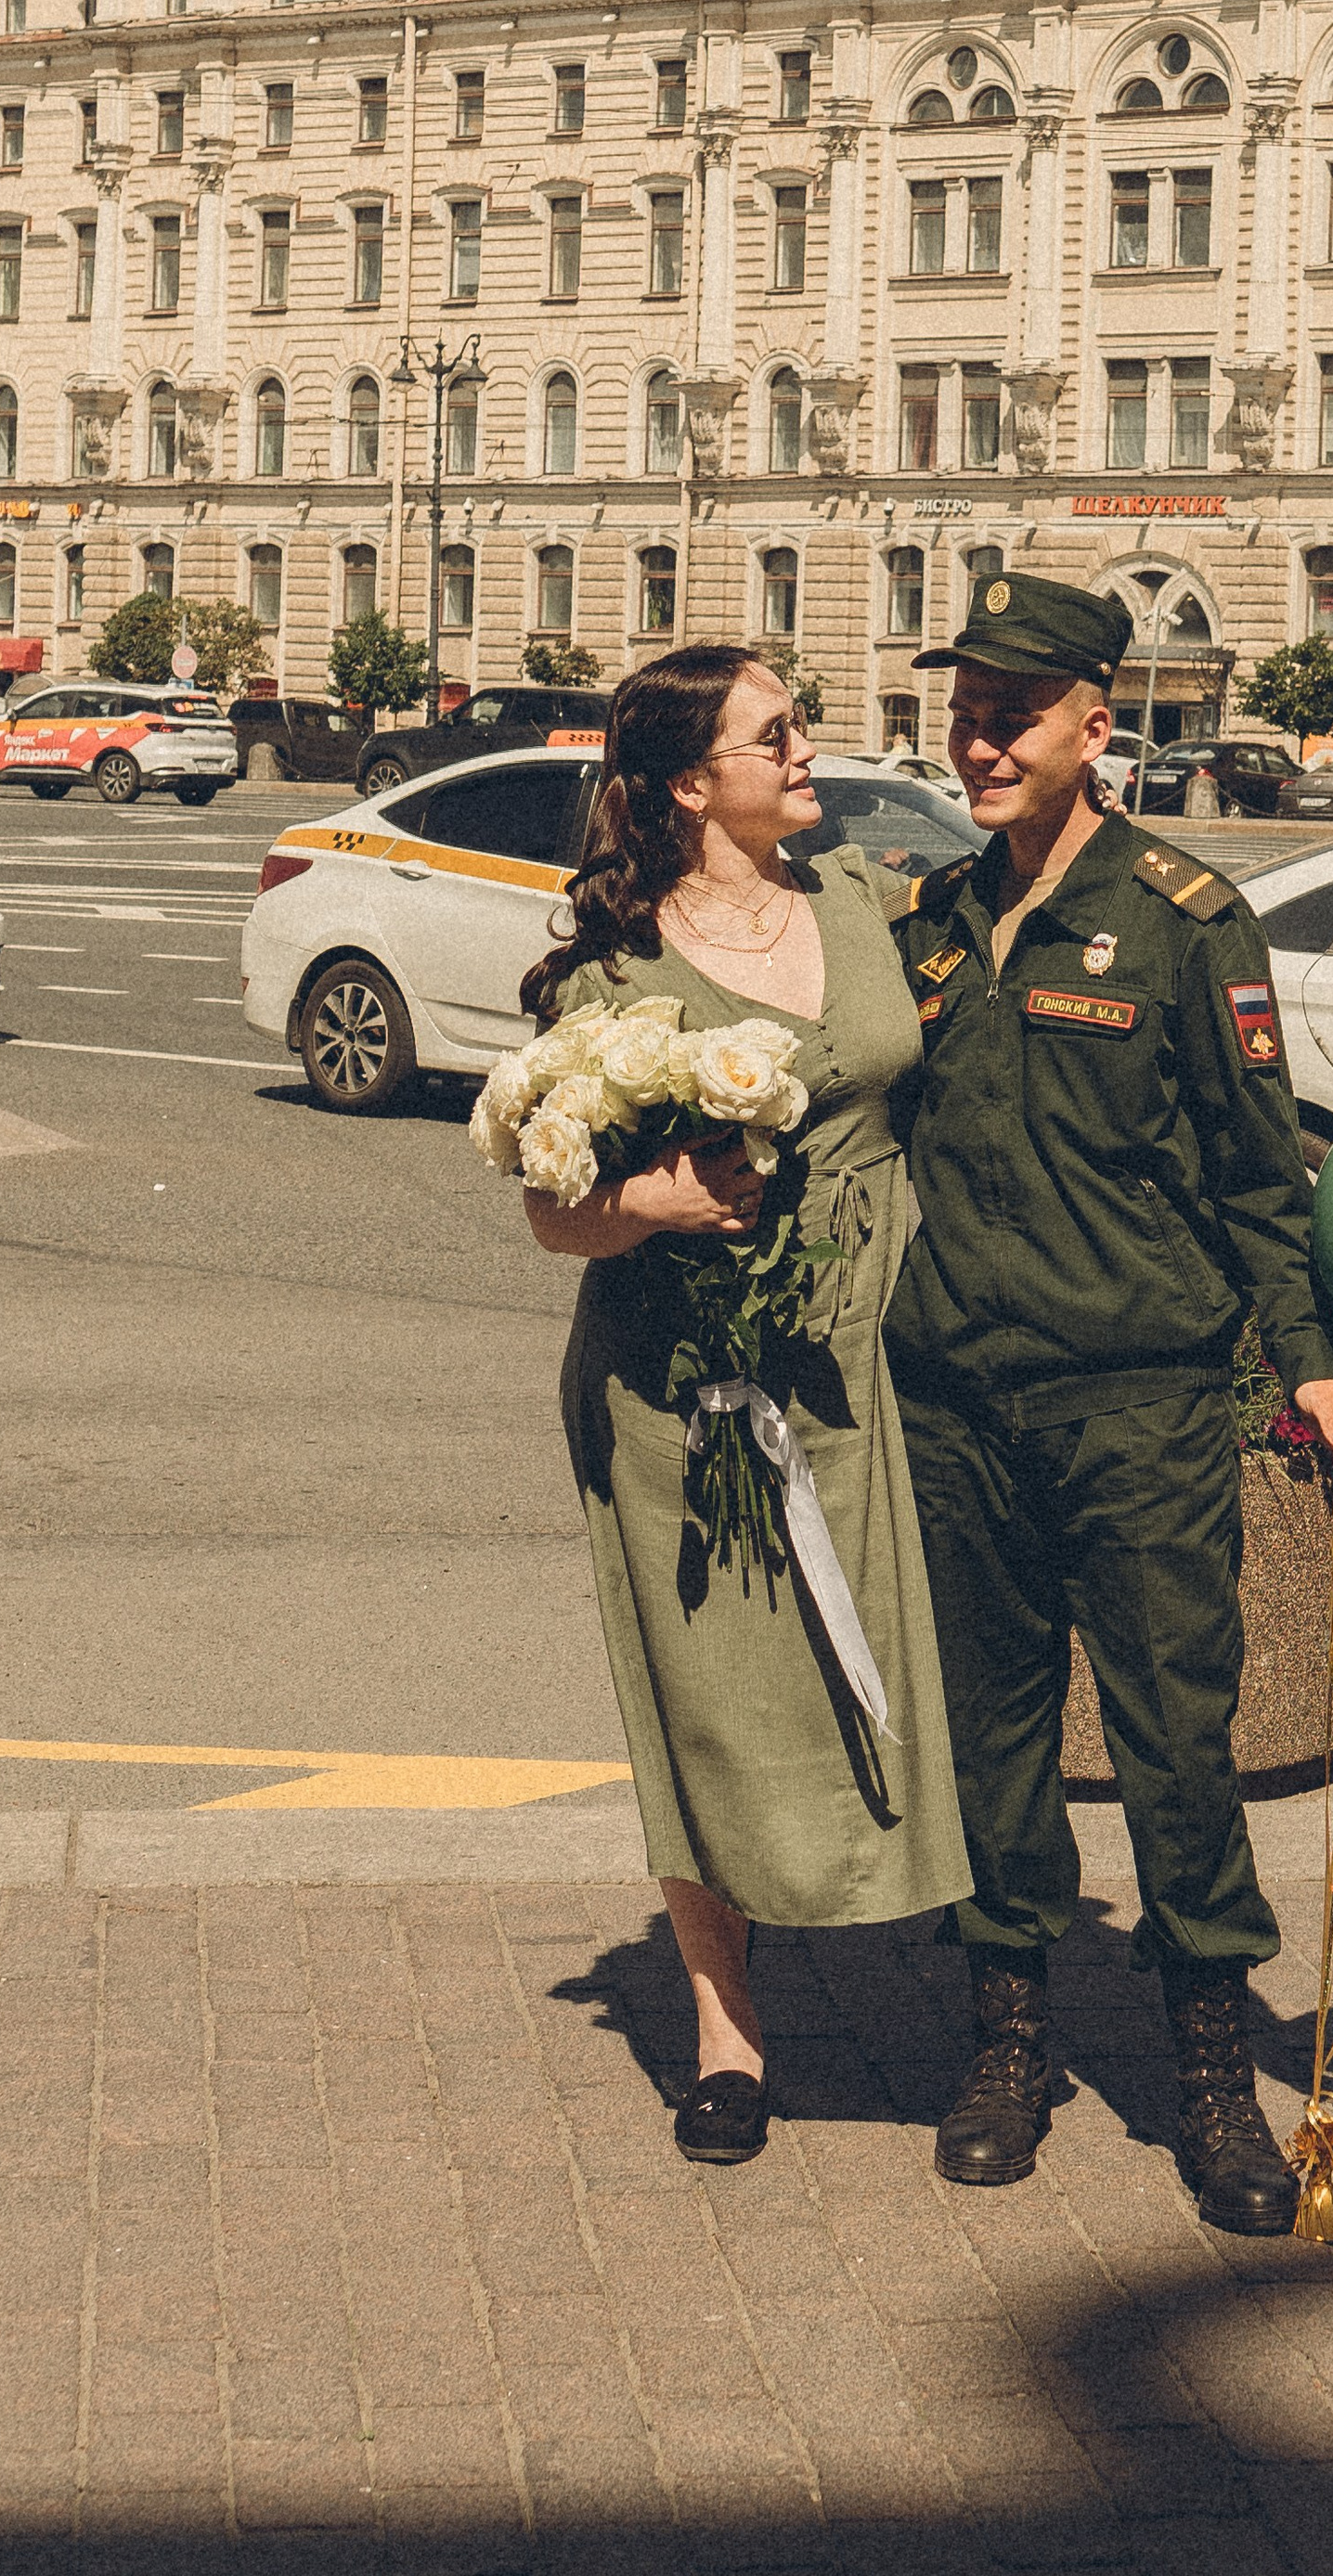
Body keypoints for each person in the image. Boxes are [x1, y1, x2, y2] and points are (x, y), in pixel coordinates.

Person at [885, 574, 1333, 2237]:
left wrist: (1310, 1358)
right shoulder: (930, 919)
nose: (980, 740)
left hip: (1136, 1406)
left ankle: (1212, 2073)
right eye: (966, 711)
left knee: (1176, 1740)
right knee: (993, 1737)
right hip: (957, 1400)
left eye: (1013, 714)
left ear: (1098, 725)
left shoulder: (1180, 920)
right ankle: (1008, 2042)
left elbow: (1255, 1176)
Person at [522, 644, 971, 2168]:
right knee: (705, 1697)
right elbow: (554, 1210)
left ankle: (958, 1947)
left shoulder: (864, 902)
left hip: (876, 1348)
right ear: (687, 785)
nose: (806, 750)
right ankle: (728, 2032)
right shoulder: (613, 971)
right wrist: (653, 1200)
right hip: (683, 1380)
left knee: (903, 1657)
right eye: (775, 734)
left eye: (801, 725)